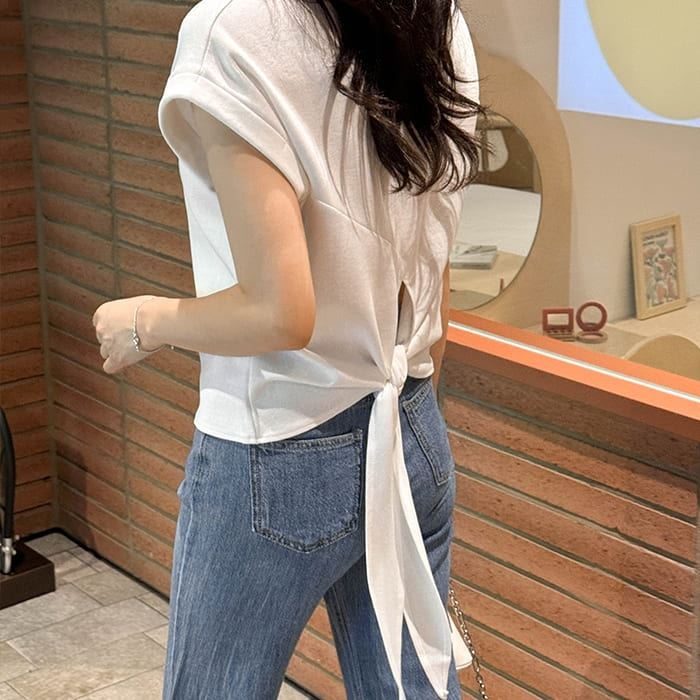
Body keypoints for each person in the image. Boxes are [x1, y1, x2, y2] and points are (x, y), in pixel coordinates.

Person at [91, 0, 485, 697]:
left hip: (276, 447)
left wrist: (146, 319)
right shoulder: (435, 16)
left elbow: (280, 312)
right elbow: (433, 259)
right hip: (410, 421)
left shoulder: (234, 32)